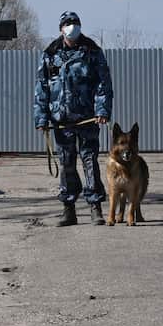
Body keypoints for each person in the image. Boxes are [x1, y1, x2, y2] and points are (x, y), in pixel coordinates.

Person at [33, 11, 113, 226]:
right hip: (61, 119)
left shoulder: (92, 51)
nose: (72, 27)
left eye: (75, 23)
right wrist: (41, 118)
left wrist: (102, 111)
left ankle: (95, 207)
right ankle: (68, 209)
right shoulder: (50, 53)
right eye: (68, 24)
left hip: (87, 118)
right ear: (61, 28)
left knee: (89, 161)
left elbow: (103, 84)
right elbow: (42, 87)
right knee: (66, 163)